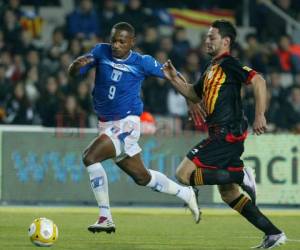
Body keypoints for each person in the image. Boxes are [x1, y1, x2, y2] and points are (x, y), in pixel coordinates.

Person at [162, 20, 287, 249]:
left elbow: (258, 80)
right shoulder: (211, 67)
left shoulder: (229, 63)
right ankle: (273, 234)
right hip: (222, 133)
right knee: (229, 195)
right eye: (207, 37)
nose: (207, 41)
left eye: (212, 37)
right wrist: (172, 78)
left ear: (226, 41)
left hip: (226, 133)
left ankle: (240, 175)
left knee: (183, 174)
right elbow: (193, 92)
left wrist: (260, 115)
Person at [68, 22, 200, 234]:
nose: (116, 45)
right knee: (143, 177)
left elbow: (172, 75)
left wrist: (190, 98)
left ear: (132, 42)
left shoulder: (143, 62)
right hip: (106, 124)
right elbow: (75, 71)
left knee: (89, 157)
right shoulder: (101, 51)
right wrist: (76, 66)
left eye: (122, 41)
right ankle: (185, 194)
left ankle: (105, 217)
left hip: (127, 123)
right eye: (113, 40)